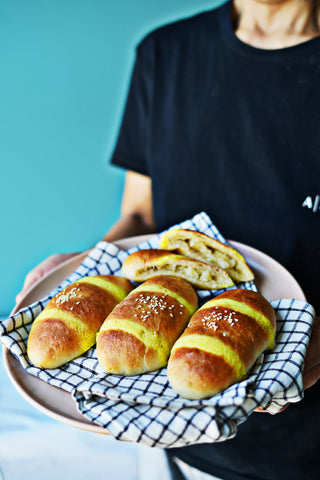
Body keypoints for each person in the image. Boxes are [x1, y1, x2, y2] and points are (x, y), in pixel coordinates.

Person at [16, 0, 320, 478]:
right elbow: (139, 213)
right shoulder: (165, 53)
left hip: (305, 445)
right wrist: (88, 267)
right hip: (170, 432)